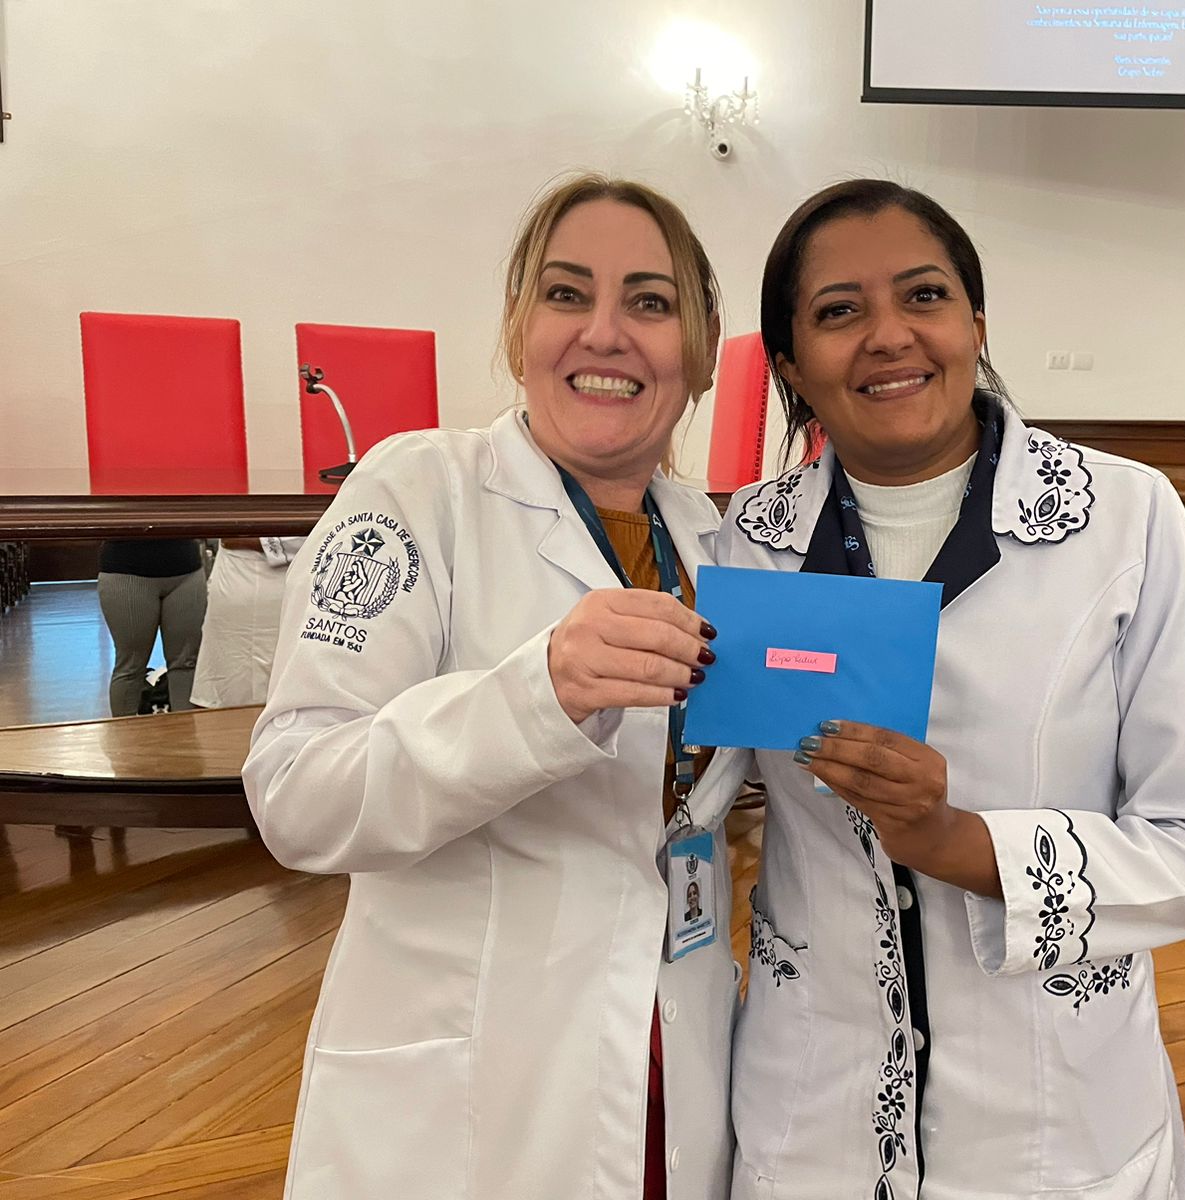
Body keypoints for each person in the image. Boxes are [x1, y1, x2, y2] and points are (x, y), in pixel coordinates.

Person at [717, 180, 1185, 1199]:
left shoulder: (1124, 521)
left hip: (1052, 1125)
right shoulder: (747, 541)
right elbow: (703, 788)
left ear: (975, 323)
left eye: (923, 295)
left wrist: (958, 841)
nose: (888, 335)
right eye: (838, 311)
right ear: (789, 363)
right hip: (813, 1115)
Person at [243, 173, 746, 1199]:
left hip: (671, 1052)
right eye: (566, 293)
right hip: (472, 1091)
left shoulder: (716, 541)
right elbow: (297, 795)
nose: (604, 332)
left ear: (699, 351)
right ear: (518, 330)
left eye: (649, 302)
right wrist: (538, 695)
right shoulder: (415, 493)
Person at [96, 538, 207, 715]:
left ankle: (187, 731)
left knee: (186, 663)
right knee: (131, 666)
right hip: (126, 570)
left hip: (187, 568)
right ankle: (124, 731)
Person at [192, 537, 306, 707]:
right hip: (234, 576)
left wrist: (254, 541)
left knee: (288, 680)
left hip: (293, 580)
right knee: (226, 677)